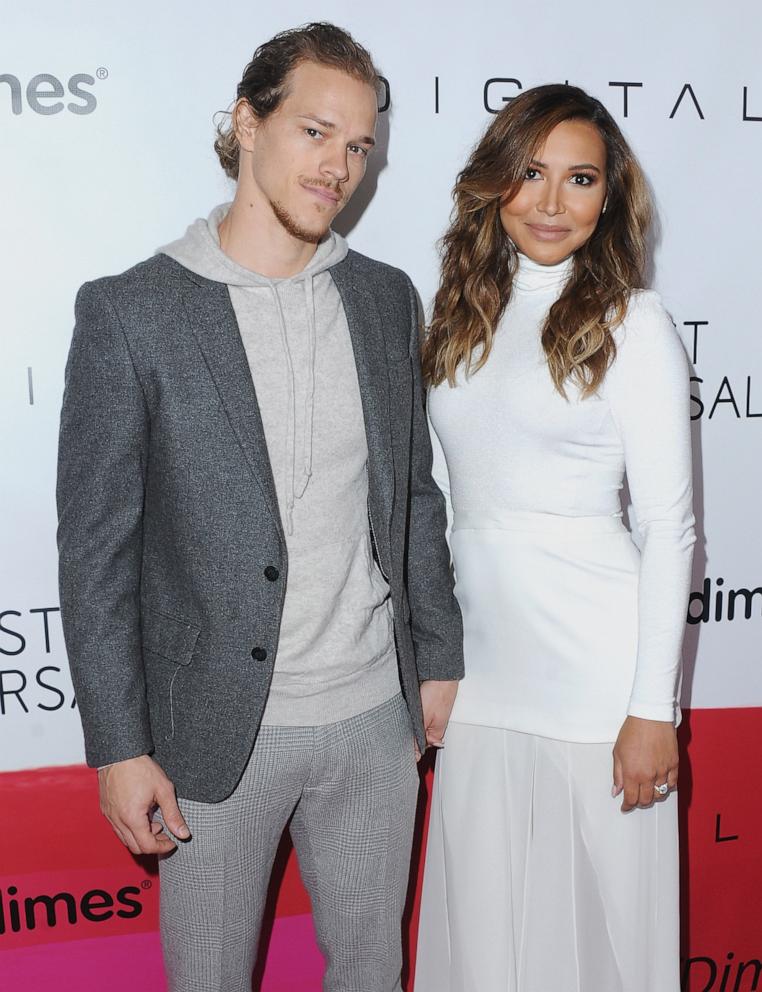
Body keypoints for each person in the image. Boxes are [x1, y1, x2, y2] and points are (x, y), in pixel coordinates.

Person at [56, 22, 462, 992]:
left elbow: (410, 493)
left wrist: (439, 659)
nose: (341, 167)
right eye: (317, 132)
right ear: (247, 123)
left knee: (370, 969)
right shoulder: (132, 310)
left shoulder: (384, 298)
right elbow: (97, 551)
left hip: (374, 716)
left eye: (361, 146)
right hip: (213, 735)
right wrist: (119, 746)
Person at [414, 84, 695, 992]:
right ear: (496, 182)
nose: (550, 202)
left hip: (596, 682)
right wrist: (436, 661)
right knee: (487, 948)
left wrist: (655, 709)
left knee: (606, 945)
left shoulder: (633, 324)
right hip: (484, 680)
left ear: (608, 197)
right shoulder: (458, 319)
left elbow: (668, 527)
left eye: (580, 179)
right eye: (530, 173)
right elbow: (446, 507)